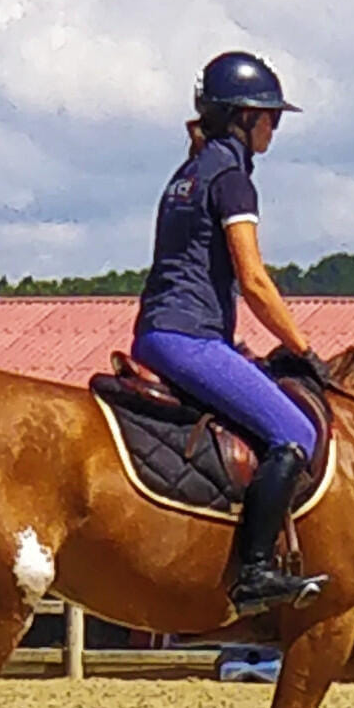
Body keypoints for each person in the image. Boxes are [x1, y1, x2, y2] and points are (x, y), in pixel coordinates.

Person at [133, 50, 331, 614]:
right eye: (271, 116)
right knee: (295, 432)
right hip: (189, 338)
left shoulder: (187, 174)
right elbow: (255, 281)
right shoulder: (232, 181)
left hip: (159, 331)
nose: (275, 126)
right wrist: (304, 349)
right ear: (244, 118)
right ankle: (255, 572)